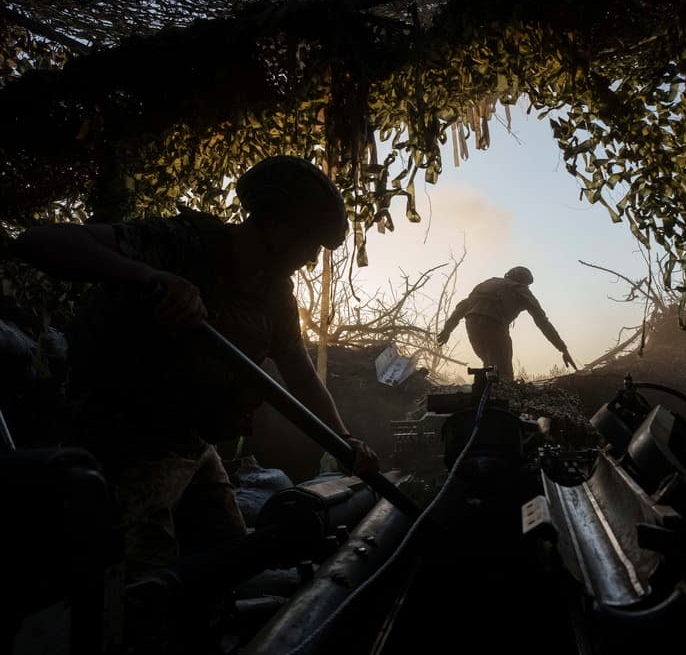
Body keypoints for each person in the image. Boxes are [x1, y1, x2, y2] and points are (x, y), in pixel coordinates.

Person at [13, 155, 379, 576]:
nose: (310, 259)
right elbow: (37, 241)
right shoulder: (182, 244)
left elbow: (299, 372)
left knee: (231, 564)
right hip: (125, 443)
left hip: (193, 445)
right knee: (143, 587)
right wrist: (150, 278)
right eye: (308, 245)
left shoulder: (274, 295)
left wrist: (344, 439)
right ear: (275, 226)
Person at [437, 266, 576, 380]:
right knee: (503, 373)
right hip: (494, 326)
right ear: (524, 282)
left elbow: (462, 307)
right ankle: (499, 406)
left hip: (472, 325)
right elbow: (542, 321)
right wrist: (562, 348)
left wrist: (447, 329)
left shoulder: (487, 283)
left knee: (489, 365)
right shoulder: (520, 289)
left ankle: (483, 402)